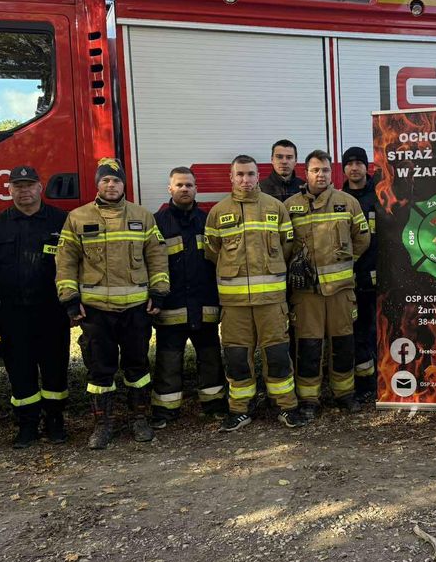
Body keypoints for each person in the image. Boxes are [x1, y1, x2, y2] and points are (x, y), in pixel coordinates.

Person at [55, 157, 169, 449]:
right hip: (96, 311)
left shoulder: (143, 216)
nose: (111, 185)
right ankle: (102, 426)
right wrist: (70, 299)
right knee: (99, 371)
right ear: (98, 184)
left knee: (138, 367)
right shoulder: (77, 217)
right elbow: (66, 262)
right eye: (105, 180)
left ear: (123, 184)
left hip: (136, 309)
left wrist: (159, 292)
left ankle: (139, 420)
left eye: (116, 180)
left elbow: (157, 256)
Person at [205, 155, 307, 431]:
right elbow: (213, 251)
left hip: (271, 302)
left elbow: (288, 247)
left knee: (277, 354)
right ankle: (240, 409)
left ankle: (286, 406)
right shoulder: (218, 212)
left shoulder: (276, 208)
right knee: (237, 357)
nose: (245, 179)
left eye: (250, 174)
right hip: (234, 304)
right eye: (239, 174)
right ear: (231, 177)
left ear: (258, 176)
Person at [0, 165, 71, 448]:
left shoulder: (62, 221)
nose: (24, 191)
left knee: (55, 367)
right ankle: (27, 425)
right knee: (19, 370)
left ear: (40, 188)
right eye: (18, 186)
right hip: (12, 313)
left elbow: (76, 265)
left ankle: (55, 421)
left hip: (53, 311)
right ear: (9, 190)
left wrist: (73, 306)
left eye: (29, 185)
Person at [285, 149, 371, 420]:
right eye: (315, 170)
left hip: (341, 292)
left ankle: (344, 394)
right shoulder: (289, 206)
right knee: (308, 346)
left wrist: (347, 262)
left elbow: (362, 238)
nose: (320, 175)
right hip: (306, 293)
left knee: (343, 344)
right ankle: (309, 399)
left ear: (331, 172)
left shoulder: (348, 203)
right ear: (305, 173)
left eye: (324, 170)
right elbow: (283, 245)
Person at [151, 167, 227, 425]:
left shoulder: (208, 221)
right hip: (170, 308)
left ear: (196, 189)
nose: (184, 189)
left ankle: (214, 405)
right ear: (170, 189)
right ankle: (165, 411)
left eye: (189, 185)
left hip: (204, 305)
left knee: (210, 358)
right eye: (179, 185)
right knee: (168, 361)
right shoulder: (157, 223)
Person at [342, 146, 378, 403]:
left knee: (382, 330)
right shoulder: (339, 199)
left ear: (367, 166)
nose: (354, 168)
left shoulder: (381, 195)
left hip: (382, 276)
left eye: (359, 163)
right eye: (349, 163)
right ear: (343, 168)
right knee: (358, 332)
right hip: (352, 278)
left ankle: (388, 379)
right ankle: (366, 384)